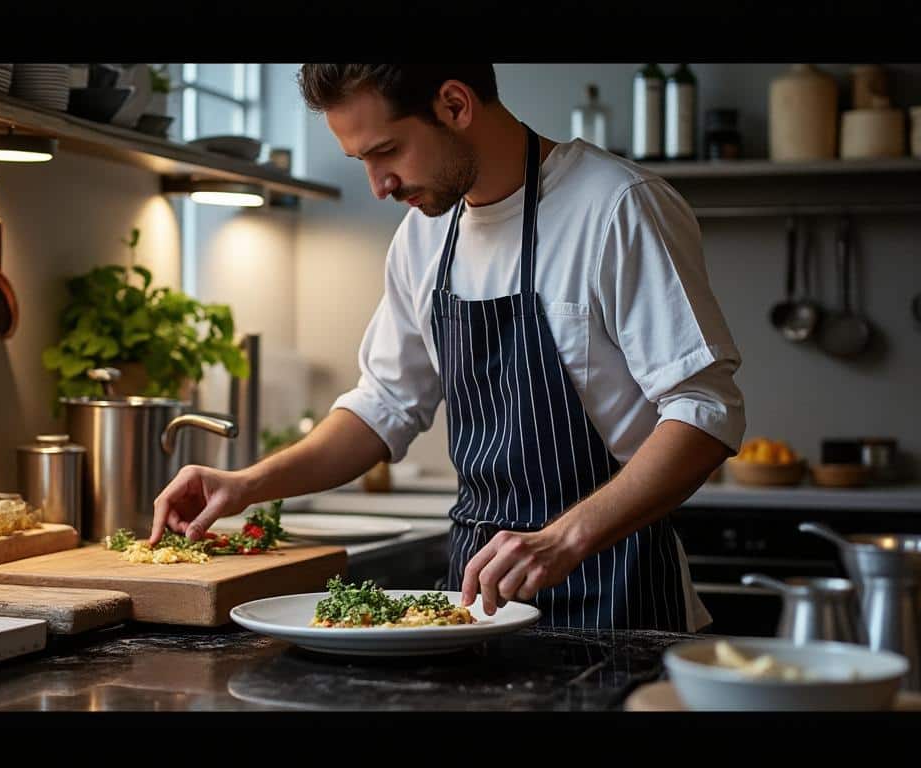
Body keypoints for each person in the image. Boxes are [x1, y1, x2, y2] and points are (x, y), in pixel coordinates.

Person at [149, 64, 745, 631]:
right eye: (361, 160)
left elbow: (705, 415)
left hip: (621, 601)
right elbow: (383, 407)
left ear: (455, 104)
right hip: (477, 608)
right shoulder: (425, 234)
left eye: (385, 152)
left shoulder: (616, 206)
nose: (378, 186)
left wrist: (562, 539)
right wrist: (248, 484)